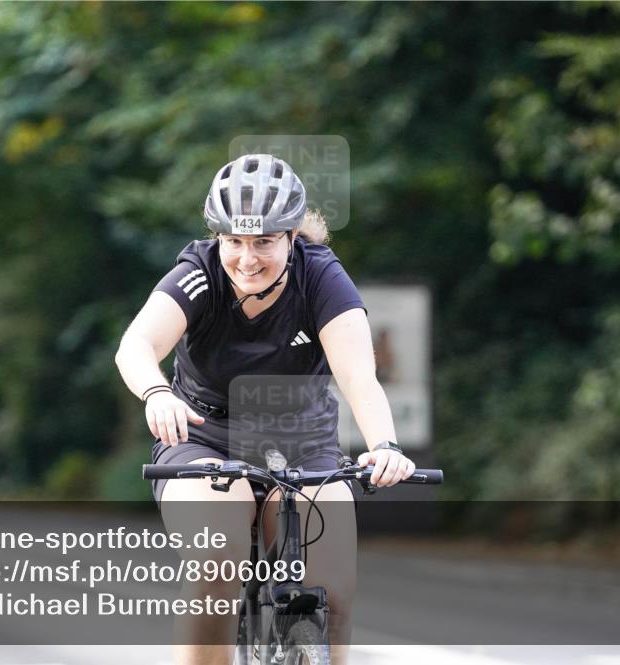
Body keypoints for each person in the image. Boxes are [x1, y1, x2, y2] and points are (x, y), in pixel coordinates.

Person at [115, 154, 415, 665]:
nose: (246, 258)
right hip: (204, 440)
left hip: (304, 445)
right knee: (215, 563)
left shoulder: (320, 278)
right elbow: (136, 346)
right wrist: (157, 393)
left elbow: (358, 377)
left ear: (292, 237)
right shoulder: (199, 273)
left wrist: (384, 446)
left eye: (264, 242)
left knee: (333, 595)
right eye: (233, 241)